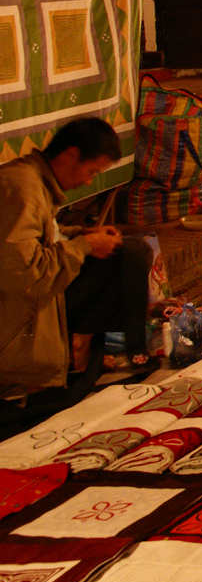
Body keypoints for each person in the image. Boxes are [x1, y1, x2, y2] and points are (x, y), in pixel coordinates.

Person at [0, 118, 152, 392]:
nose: (87, 181)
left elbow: (47, 236)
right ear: (71, 155)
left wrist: (81, 234)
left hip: (42, 287)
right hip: (19, 313)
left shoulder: (34, 181)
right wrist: (85, 246)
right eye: (91, 171)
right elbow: (26, 276)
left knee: (131, 250)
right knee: (130, 255)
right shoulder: (24, 189)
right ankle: (85, 346)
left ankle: (120, 349)